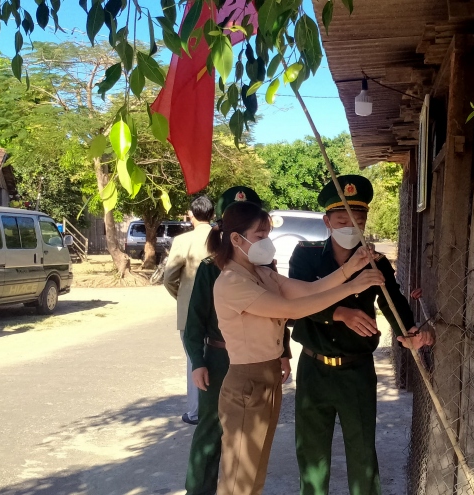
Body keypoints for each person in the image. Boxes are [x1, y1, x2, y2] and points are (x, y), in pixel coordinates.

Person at [208, 200, 385, 495]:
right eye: (260, 235)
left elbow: (311, 290)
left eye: (267, 234)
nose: (266, 241)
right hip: (246, 383)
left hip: (268, 379)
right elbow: (294, 308)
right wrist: (352, 287)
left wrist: (351, 268)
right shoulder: (232, 282)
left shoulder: (260, 273)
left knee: (255, 472)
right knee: (239, 478)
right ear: (236, 239)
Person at [289, 175, 435, 495]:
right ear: (327, 221)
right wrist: (339, 313)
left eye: (358, 219)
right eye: (342, 220)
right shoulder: (306, 255)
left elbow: (392, 299)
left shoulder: (375, 262)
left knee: (362, 453)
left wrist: (407, 332)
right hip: (314, 369)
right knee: (312, 455)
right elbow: (293, 304)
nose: (350, 226)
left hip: (357, 370)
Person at [181, 186, 274, 495]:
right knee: (211, 430)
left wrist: (284, 352)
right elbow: (194, 322)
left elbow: (277, 314)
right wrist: (198, 362)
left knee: (246, 439)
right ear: (230, 230)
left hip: (254, 360)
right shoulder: (211, 270)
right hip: (220, 361)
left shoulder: (264, 269)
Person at [164, 195, 215, 426]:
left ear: (191, 215)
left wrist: (183, 297)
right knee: (219, 357)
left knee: (195, 360)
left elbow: (169, 278)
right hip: (220, 309)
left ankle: (195, 412)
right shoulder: (222, 238)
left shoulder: (183, 240)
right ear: (212, 215)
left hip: (190, 312)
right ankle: (216, 407)